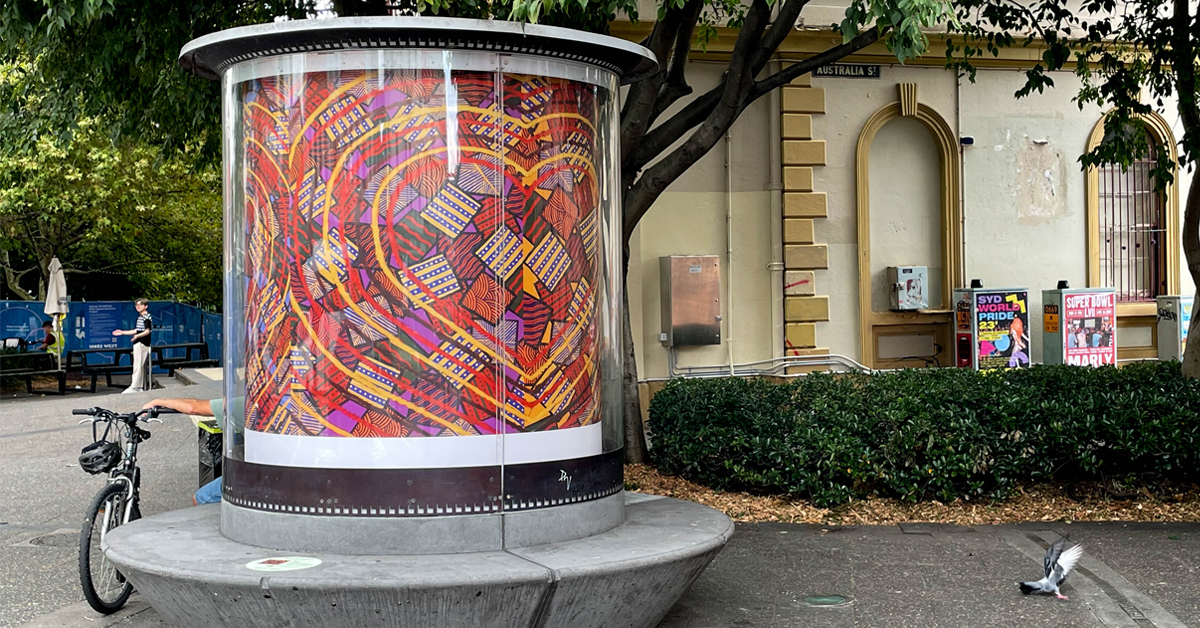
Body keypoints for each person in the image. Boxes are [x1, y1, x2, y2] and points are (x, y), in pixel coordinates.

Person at [144, 396, 244, 505]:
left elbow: (192, 407)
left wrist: (158, 401)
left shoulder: (246, 404)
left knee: (200, 497)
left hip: (253, 477)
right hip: (262, 472)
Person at [113, 298, 152, 393]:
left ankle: (134, 386)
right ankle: (138, 386)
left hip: (141, 343)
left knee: (137, 365)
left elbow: (147, 331)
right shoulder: (141, 317)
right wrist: (122, 332)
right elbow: (136, 330)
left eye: (140, 305)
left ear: (145, 306)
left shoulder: (146, 317)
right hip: (141, 342)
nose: (137, 307)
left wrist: (137, 336)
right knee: (139, 365)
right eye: (136, 305)